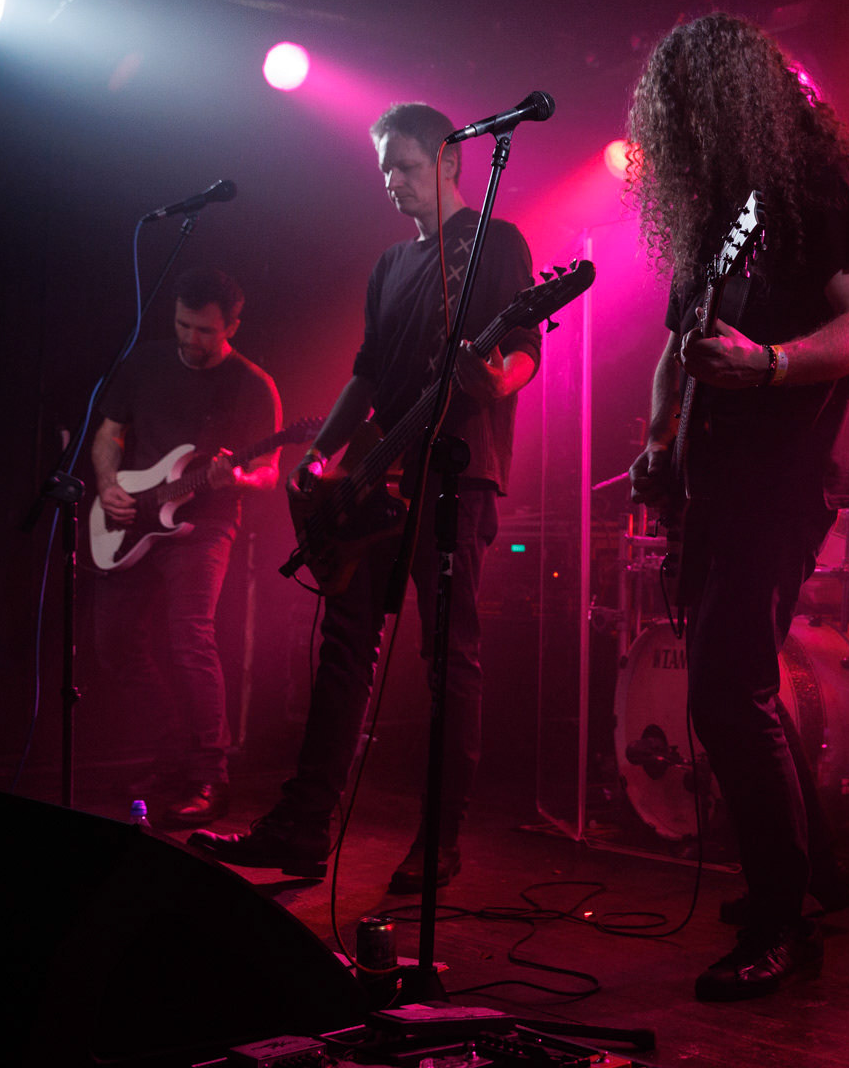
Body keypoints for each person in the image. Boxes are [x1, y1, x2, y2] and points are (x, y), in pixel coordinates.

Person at [191, 102, 539, 892]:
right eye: (383, 167)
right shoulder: (390, 266)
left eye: (407, 166)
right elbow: (368, 372)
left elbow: (523, 349)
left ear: (452, 163)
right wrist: (319, 455)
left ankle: (438, 842)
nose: (391, 181)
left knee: (449, 659)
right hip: (377, 475)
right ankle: (303, 827)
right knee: (343, 649)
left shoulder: (494, 243)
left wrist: (497, 379)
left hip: (457, 473)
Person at [626, 14, 849, 1001]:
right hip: (713, 480)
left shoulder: (811, 189)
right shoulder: (722, 215)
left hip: (785, 475)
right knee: (741, 682)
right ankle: (813, 874)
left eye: (695, 112)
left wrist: (769, 362)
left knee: (724, 689)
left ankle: (781, 919)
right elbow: (676, 343)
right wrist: (658, 441)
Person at [92, 267, 281, 825]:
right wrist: (107, 486)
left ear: (233, 326)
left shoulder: (252, 384)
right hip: (134, 517)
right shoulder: (145, 362)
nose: (190, 340)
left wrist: (236, 480)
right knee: (115, 644)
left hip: (204, 524)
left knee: (189, 637)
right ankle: (171, 753)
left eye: (204, 331)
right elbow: (108, 434)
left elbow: (268, 473)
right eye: (182, 325)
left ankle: (208, 775)